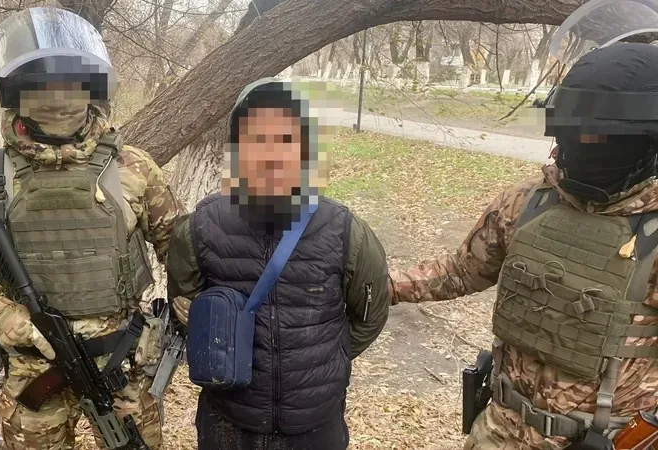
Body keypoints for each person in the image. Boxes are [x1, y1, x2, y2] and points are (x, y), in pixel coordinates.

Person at [0, 7, 184, 450]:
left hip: (123, 366)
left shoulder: (134, 168)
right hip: (34, 368)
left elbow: (179, 250)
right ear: (16, 92)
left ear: (92, 88)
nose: (58, 98)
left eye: (70, 84)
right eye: (41, 86)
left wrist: (187, 306)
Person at [389, 42, 658, 449]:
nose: (586, 144)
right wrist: (383, 286)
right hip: (500, 429)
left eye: (602, 137)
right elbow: (462, 270)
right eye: (577, 133)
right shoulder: (527, 202)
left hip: (603, 441)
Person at [166, 78, 390, 450]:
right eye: (257, 140)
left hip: (314, 426)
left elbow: (371, 314)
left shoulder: (344, 231)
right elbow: (186, 309)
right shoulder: (200, 229)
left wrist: (324, 360)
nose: (271, 155)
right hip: (228, 422)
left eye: (286, 140)